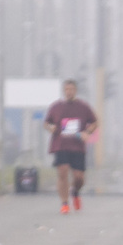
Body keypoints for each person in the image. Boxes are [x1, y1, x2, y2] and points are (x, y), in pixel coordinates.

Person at [45, 78, 98, 213]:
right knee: (62, 172)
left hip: (77, 146)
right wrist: (50, 128)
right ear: (64, 91)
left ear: (76, 91)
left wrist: (87, 132)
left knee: (79, 177)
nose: (69, 92)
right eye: (67, 90)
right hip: (60, 144)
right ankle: (64, 203)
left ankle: (75, 191)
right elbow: (47, 123)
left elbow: (95, 122)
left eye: (71, 90)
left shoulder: (83, 107)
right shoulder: (56, 107)